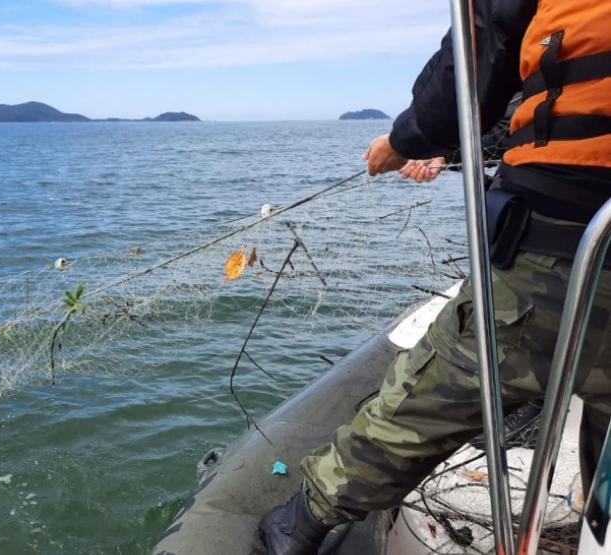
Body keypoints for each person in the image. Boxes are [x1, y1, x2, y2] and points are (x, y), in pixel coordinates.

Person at [258, 0, 611, 552]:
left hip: (565, 242)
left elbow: (476, 59)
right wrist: (446, 151)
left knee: (428, 392)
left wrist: (403, 141)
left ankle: (301, 521)